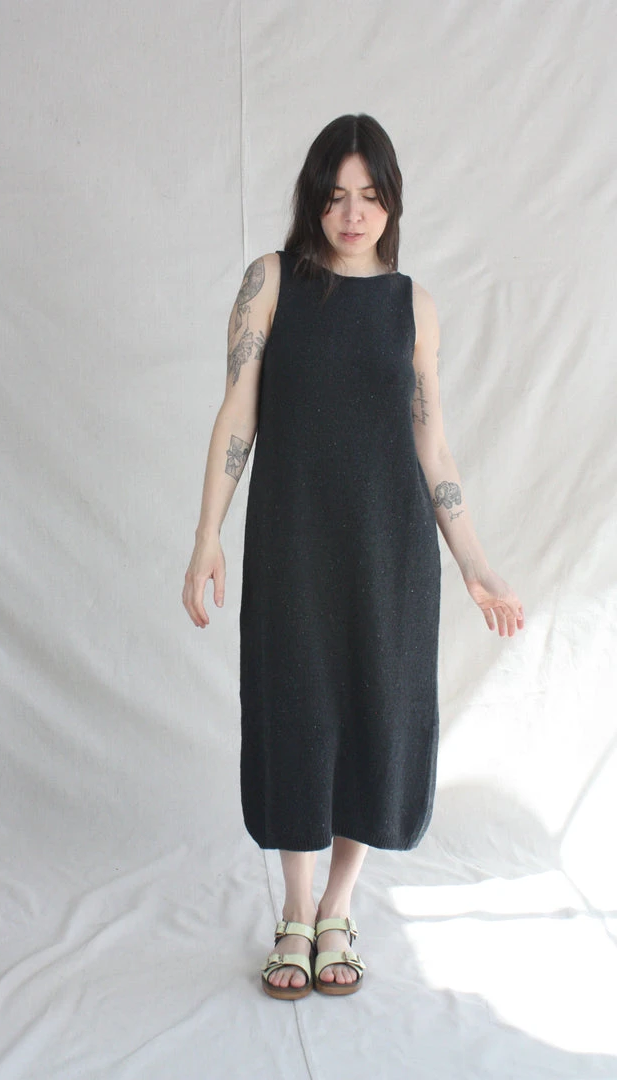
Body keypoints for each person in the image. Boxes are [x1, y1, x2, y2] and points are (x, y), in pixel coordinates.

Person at [182, 113, 525, 1000]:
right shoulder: (270, 282)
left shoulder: (414, 306)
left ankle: (339, 907)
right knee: (296, 712)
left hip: (390, 550)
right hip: (293, 543)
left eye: (369, 196)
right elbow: (237, 412)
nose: (352, 214)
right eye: (336, 196)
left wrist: (476, 563)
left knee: (377, 716)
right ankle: (295, 912)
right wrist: (208, 533)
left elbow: (432, 447)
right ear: (314, 199)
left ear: (391, 203)